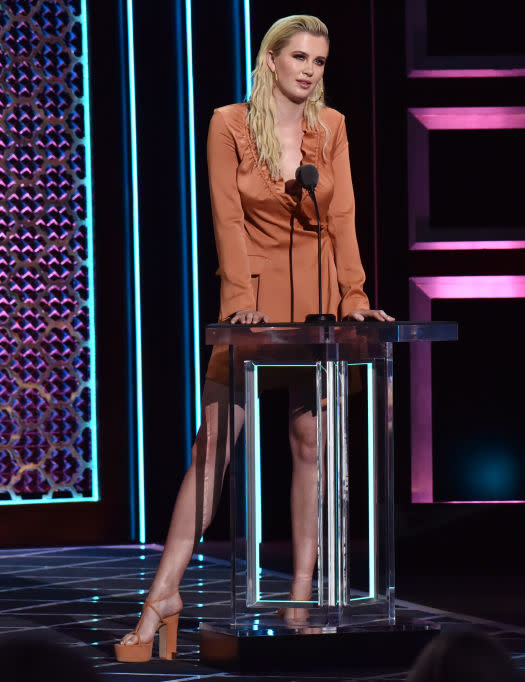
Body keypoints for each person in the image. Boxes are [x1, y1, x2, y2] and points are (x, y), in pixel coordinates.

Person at [115, 14, 393, 662]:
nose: (309, 70)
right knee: (212, 448)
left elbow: (344, 218)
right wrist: (239, 302)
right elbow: (226, 219)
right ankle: (162, 597)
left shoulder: (333, 129)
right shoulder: (229, 124)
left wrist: (354, 299)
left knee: (309, 446)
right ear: (270, 59)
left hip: (319, 307)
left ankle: (300, 599)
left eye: (319, 61)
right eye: (298, 56)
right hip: (254, 309)